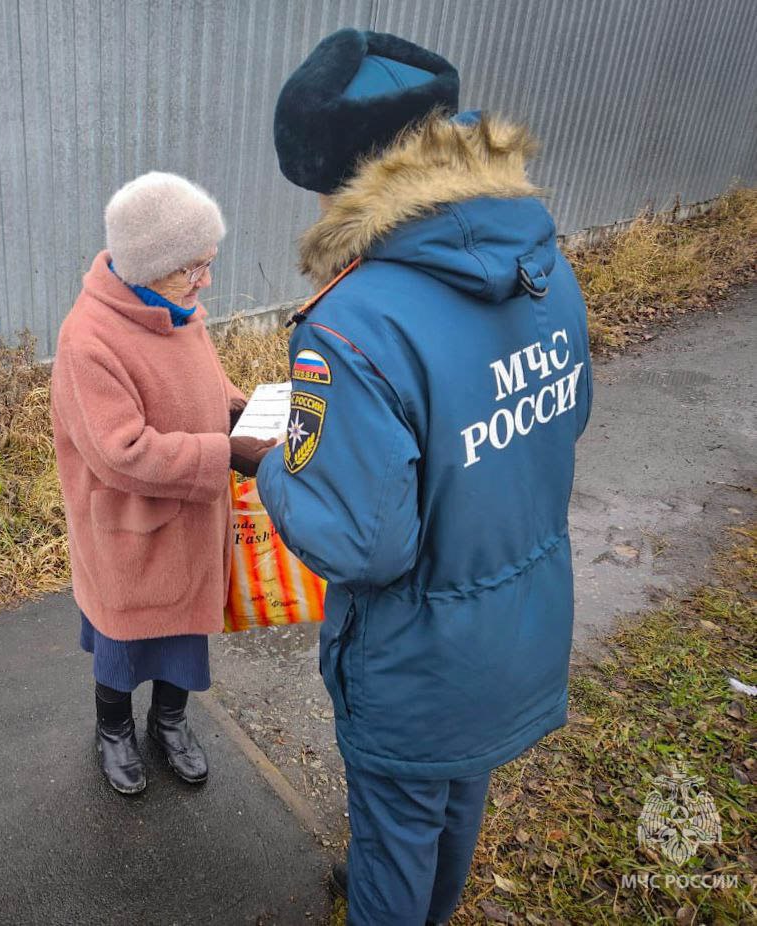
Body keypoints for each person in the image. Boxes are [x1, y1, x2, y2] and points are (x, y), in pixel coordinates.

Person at [257, 29, 592, 925]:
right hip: (516, 621)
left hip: (412, 653)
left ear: (348, 180)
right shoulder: (545, 270)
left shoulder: (353, 324)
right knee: (457, 788)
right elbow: (558, 425)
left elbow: (358, 538)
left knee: (396, 825)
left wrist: (273, 464)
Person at [50, 172, 276, 795]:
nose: (205, 280)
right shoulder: (87, 340)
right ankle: (114, 730)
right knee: (124, 642)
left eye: (208, 262)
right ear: (146, 265)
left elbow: (205, 383)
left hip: (191, 519)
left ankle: (169, 722)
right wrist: (225, 451)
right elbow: (120, 453)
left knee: (184, 634)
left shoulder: (177, 308)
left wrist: (239, 409)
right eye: (191, 268)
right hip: (132, 530)